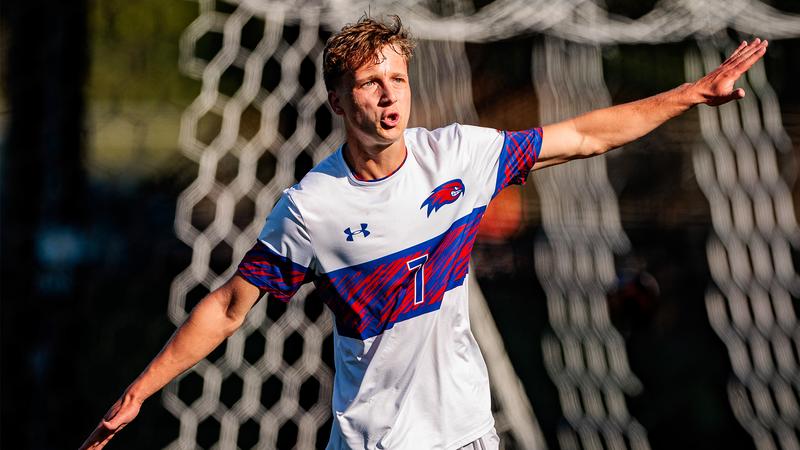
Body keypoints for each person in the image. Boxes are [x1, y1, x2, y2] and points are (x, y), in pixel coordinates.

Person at [80, 15, 768, 450]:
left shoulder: (460, 156)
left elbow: (585, 135)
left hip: (467, 437)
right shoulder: (311, 208)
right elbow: (231, 305)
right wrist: (141, 389)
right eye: (371, 83)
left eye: (397, 79)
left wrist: (687, 95)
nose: (389, 95)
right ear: (338, 99)